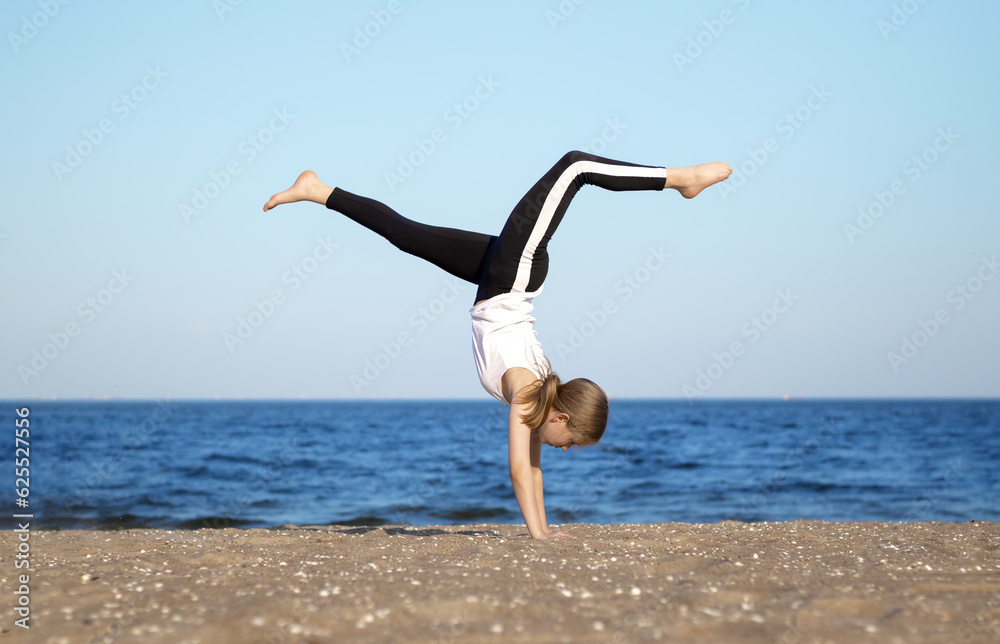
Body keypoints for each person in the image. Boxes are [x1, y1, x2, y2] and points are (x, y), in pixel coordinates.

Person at [264, 150, 732, 539]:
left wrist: (544, 530)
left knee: (407, 237)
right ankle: (682, 180)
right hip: (513, 277)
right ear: (562, 417)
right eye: (570, 442)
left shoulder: (536, 400)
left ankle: (317, 189)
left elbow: (531, 468)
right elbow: (518, 470)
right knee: (575, 167)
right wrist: (539, 536)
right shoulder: (529, 392)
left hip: (497, 281)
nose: (563, 451)